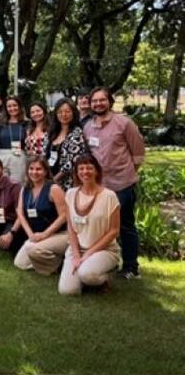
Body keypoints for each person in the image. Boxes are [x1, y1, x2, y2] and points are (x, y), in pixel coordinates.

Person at [83, 87, 145, 279]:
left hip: (122, 184)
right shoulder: (88, 127)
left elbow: (138, 153)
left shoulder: (125, 124)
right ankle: (104, 263)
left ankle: (130, 267)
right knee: (101, 226)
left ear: (110, 101)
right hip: (99, 186)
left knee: (125, 225)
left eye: (102, 100)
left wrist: (128, 173)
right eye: (95, 101)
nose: (98, 104)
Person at [58, 154, 121, 295]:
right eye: (81, 168)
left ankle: (103, 277)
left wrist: (87, 255)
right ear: (76, 172)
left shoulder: (109, 196)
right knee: (68, 291)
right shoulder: (70, 194)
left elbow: (114, 231)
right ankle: (85, 277)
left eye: (89, 168)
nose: (85, 172)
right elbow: (71, 227)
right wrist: (75, 255)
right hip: (77, 249)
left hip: (104, 250)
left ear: (97, 171)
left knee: (87, 274)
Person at [13, 158, 69, 275]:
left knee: (34, 250)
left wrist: (45, 234)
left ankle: (60, 265)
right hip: (37, 234)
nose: (34, 172)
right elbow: (21, 214)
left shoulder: (53, 189)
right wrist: (30, 235)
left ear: (45, 171)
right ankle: (53, 260)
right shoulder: (25, 189)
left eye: (39, 169)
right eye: (31, 169)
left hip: (60, 233)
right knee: (20, 263)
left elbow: (64, 215)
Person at [45, 98, 88, 190]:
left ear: (73, 113)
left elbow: (73, 161)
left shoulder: (77, 133)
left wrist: (54, 180)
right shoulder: (51, 132)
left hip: (67, 183)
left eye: (67, 111)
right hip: (48, 178)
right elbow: (44, 154)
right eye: (60, 112)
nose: (63, 115)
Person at [0, 96, 28, 183]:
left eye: (15, 105)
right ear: (6, 108)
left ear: (19, 106)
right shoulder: (0, 123)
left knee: (17, 185)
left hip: (19, 157)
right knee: (0, 183)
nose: (12, 108)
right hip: (2, 156)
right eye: (9, 106)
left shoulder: (27, 123)